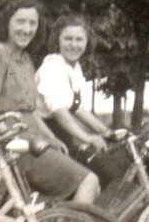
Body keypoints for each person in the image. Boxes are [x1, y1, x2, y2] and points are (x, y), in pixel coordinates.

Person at [0, 0, 104, 222]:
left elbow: (31, 111)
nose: (26, 28)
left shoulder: (25, 61)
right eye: (20, 21)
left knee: (90, 187)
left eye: (32, 23)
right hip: (16, 147)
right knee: (89, 181)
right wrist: (11, 135)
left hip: (35, 141)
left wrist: (50, 138)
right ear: (7, 23)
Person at [36, 14, 131, 190]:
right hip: (46, 138)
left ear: (87, 42)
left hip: (62, 136)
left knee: (103, 174)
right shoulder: (52, 68)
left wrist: (107, 132)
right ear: (58, 40)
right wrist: (87, 137)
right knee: (88, 181)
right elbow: (60, 113)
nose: (74, 44)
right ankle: (65, 217)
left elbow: (78, 108)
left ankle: (71, 214)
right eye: (68, 39)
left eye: (79, 39)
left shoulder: (73, 67)